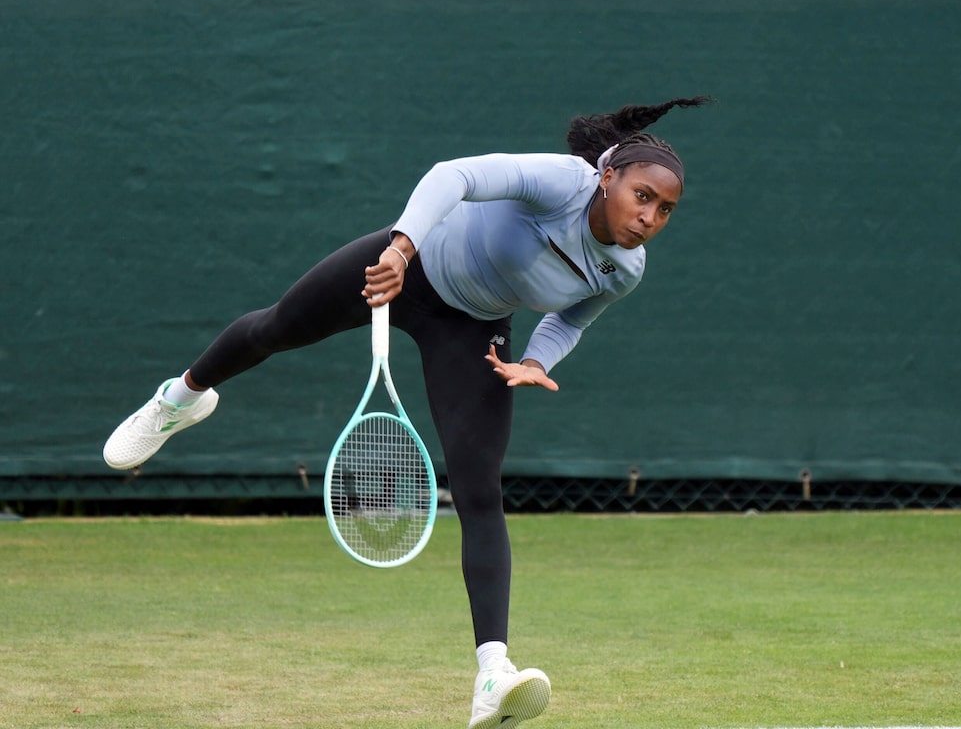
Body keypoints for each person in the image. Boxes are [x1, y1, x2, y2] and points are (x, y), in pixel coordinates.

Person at [102, 95, 711, 728]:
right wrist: (399, 249)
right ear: (609, 176)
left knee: (481, 493)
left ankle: (493, 674)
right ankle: (180, 399)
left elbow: (573, 316)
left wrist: (537, 362)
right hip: (409, 266)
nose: (650, 217)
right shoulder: (561, 181)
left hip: (472, 331)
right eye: (643, 196)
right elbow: (457, 175)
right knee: (275, 328)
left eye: (665, 209)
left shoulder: (625, 269)